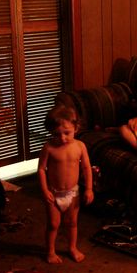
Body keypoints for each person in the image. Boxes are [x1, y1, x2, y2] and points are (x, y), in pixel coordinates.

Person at [38, 104, 94, 264]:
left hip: (72, 193)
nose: (62, 138)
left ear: (76, 128)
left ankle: (72, 248)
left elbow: (86, 167)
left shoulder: (79, 146)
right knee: (53, 224)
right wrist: (44, 189)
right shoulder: (49, 148)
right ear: (50, 132)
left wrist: (89, 188)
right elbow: (41, 169)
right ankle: (50, 251)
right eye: (57, 134)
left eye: (67, 133)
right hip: (53, 193)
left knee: (72, 222)